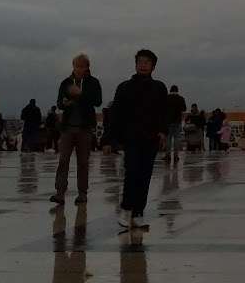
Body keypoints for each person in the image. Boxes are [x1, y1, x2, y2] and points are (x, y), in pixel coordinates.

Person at [104, 48, 169, 232]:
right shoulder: (124, 87)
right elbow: (115, 115)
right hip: (131, 138)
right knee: (131, 173)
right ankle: (126, 209)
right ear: (135, 64)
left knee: (145, 176)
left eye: (147, 62)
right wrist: (108, 139)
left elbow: (163, 113)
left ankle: (138, 212)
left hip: (151, 139)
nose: (143, 65)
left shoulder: (159, 87)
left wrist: (163, 132)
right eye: (140, 61)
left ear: (153, 66)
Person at [50, 53, 102, 208]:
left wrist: (81, 94)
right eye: (76, 66)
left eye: (81, 66)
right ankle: (60, 193)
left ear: (87, 67)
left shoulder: (93, 83)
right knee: (63, 160)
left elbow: (98, 101)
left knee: (83, 162)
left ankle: (82, 193)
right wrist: (65, 103)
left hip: (84, 128)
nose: (78, 69)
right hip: (67, 128)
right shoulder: (66, 82)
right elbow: (59, 103)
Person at [165, 85, 186, 158]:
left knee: (168, 138)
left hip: (168, 121)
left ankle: (167, 155)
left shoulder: (166, 98)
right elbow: (184, 109)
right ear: (177, 90)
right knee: (177, 138)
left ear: (170, 90)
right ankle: (176, 155)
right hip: (177, 121)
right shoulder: (181, 98)